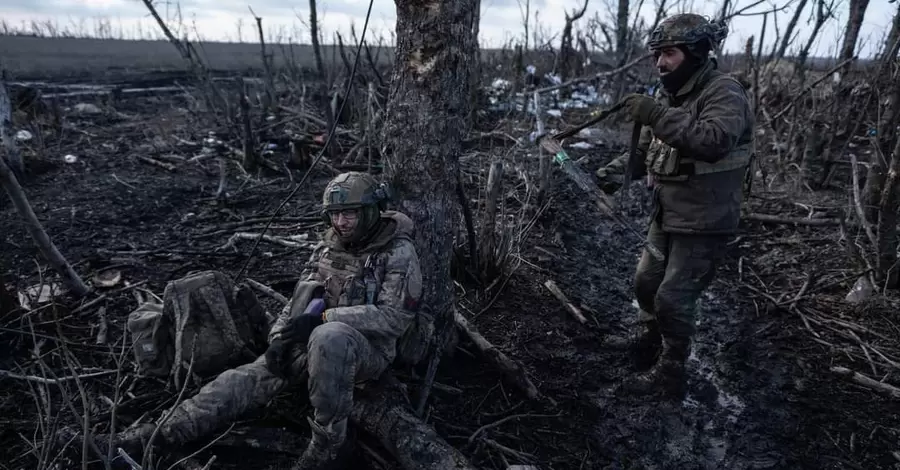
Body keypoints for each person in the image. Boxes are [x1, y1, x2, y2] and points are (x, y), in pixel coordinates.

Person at [83, 171, 423, 469]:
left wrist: (323, 317)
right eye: (335, 214)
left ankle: (331, 445)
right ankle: (156, 435)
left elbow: (393, 318)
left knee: (330, 336)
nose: (342, 222)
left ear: (370, 211)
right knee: (241, 381)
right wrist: (280, 339)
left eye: (349, 213)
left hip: (367, 356)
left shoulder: (396, 252)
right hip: (312, 344)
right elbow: (298, 301)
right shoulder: (328, 248)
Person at [596, 14, 754, 399]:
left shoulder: (724, 92)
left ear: (698, 52)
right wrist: (612, 173)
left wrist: (655, 113)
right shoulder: (674, 95)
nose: (660, 63)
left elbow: (713, 141)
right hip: (668, 211)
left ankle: (671, 373)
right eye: (657, 55)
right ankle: (650, 342)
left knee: (673, 298)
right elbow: (651, 149)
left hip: (706, 218)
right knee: (646, 283)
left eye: (668, 53)